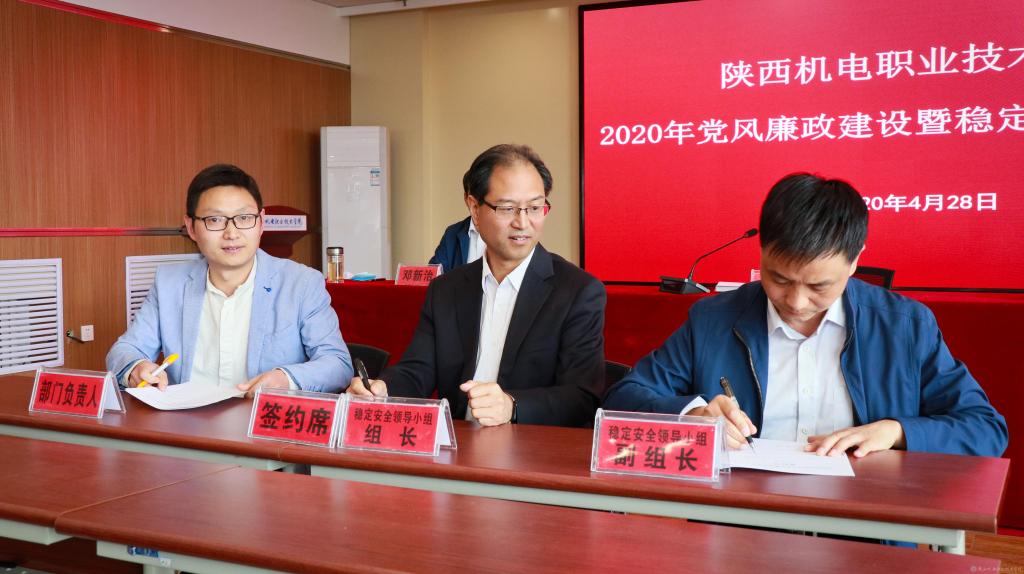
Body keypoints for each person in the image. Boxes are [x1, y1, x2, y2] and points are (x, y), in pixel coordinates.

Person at [604, 173, 1007, 458]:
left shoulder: (905, 326)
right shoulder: (714, 319)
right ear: (762, 251)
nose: (796, 302)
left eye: (819, 286)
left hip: (867, 520)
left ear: (856, 259)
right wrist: (694, 414)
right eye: (779, 279)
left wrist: (896, 431)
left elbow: (984, 428)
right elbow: (625, 395)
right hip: (740, 518)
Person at [349, 144, 606, 427]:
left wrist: (512, 406)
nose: (523, 222)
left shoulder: (577, 292)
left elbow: (582, 397)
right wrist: (383, 389)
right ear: (474, 208)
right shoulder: (446, 290)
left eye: (535, 207)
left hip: (532, 446)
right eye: (507, 208)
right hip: (458, 443)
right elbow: (417, 370)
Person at [107, 164, 352, 395]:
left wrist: (285, 378)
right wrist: (136, 367)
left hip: (261, 421)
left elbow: (337, 364)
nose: (232, 233)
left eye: (244, 218)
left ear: (261, 222)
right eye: (215, 220)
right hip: (187, 421)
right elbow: (125, 350)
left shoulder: (301, 283)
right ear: (191, 227)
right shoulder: (169, 284)